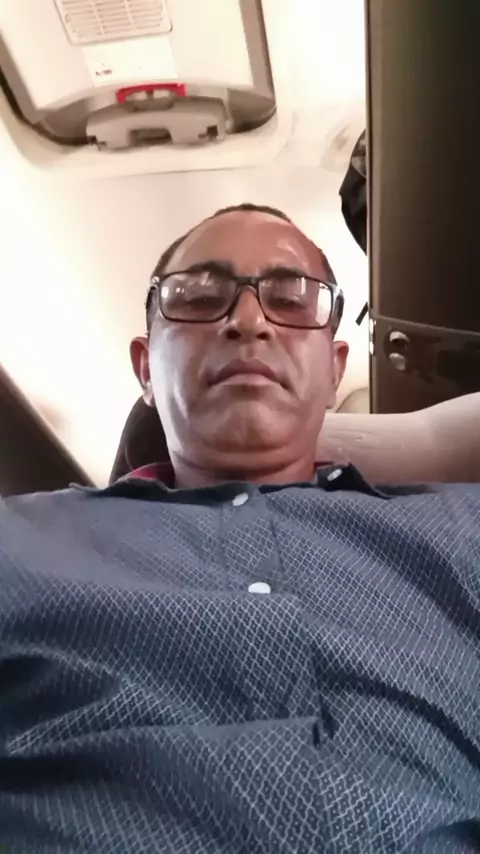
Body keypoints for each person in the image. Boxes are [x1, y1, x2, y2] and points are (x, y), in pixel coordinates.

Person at [0, 203, 479, 853]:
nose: (248, 321)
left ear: (335, 370)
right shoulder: (17, 544)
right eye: (199, 298)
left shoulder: (460, 529)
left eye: (291, 298)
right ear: (146, 369)